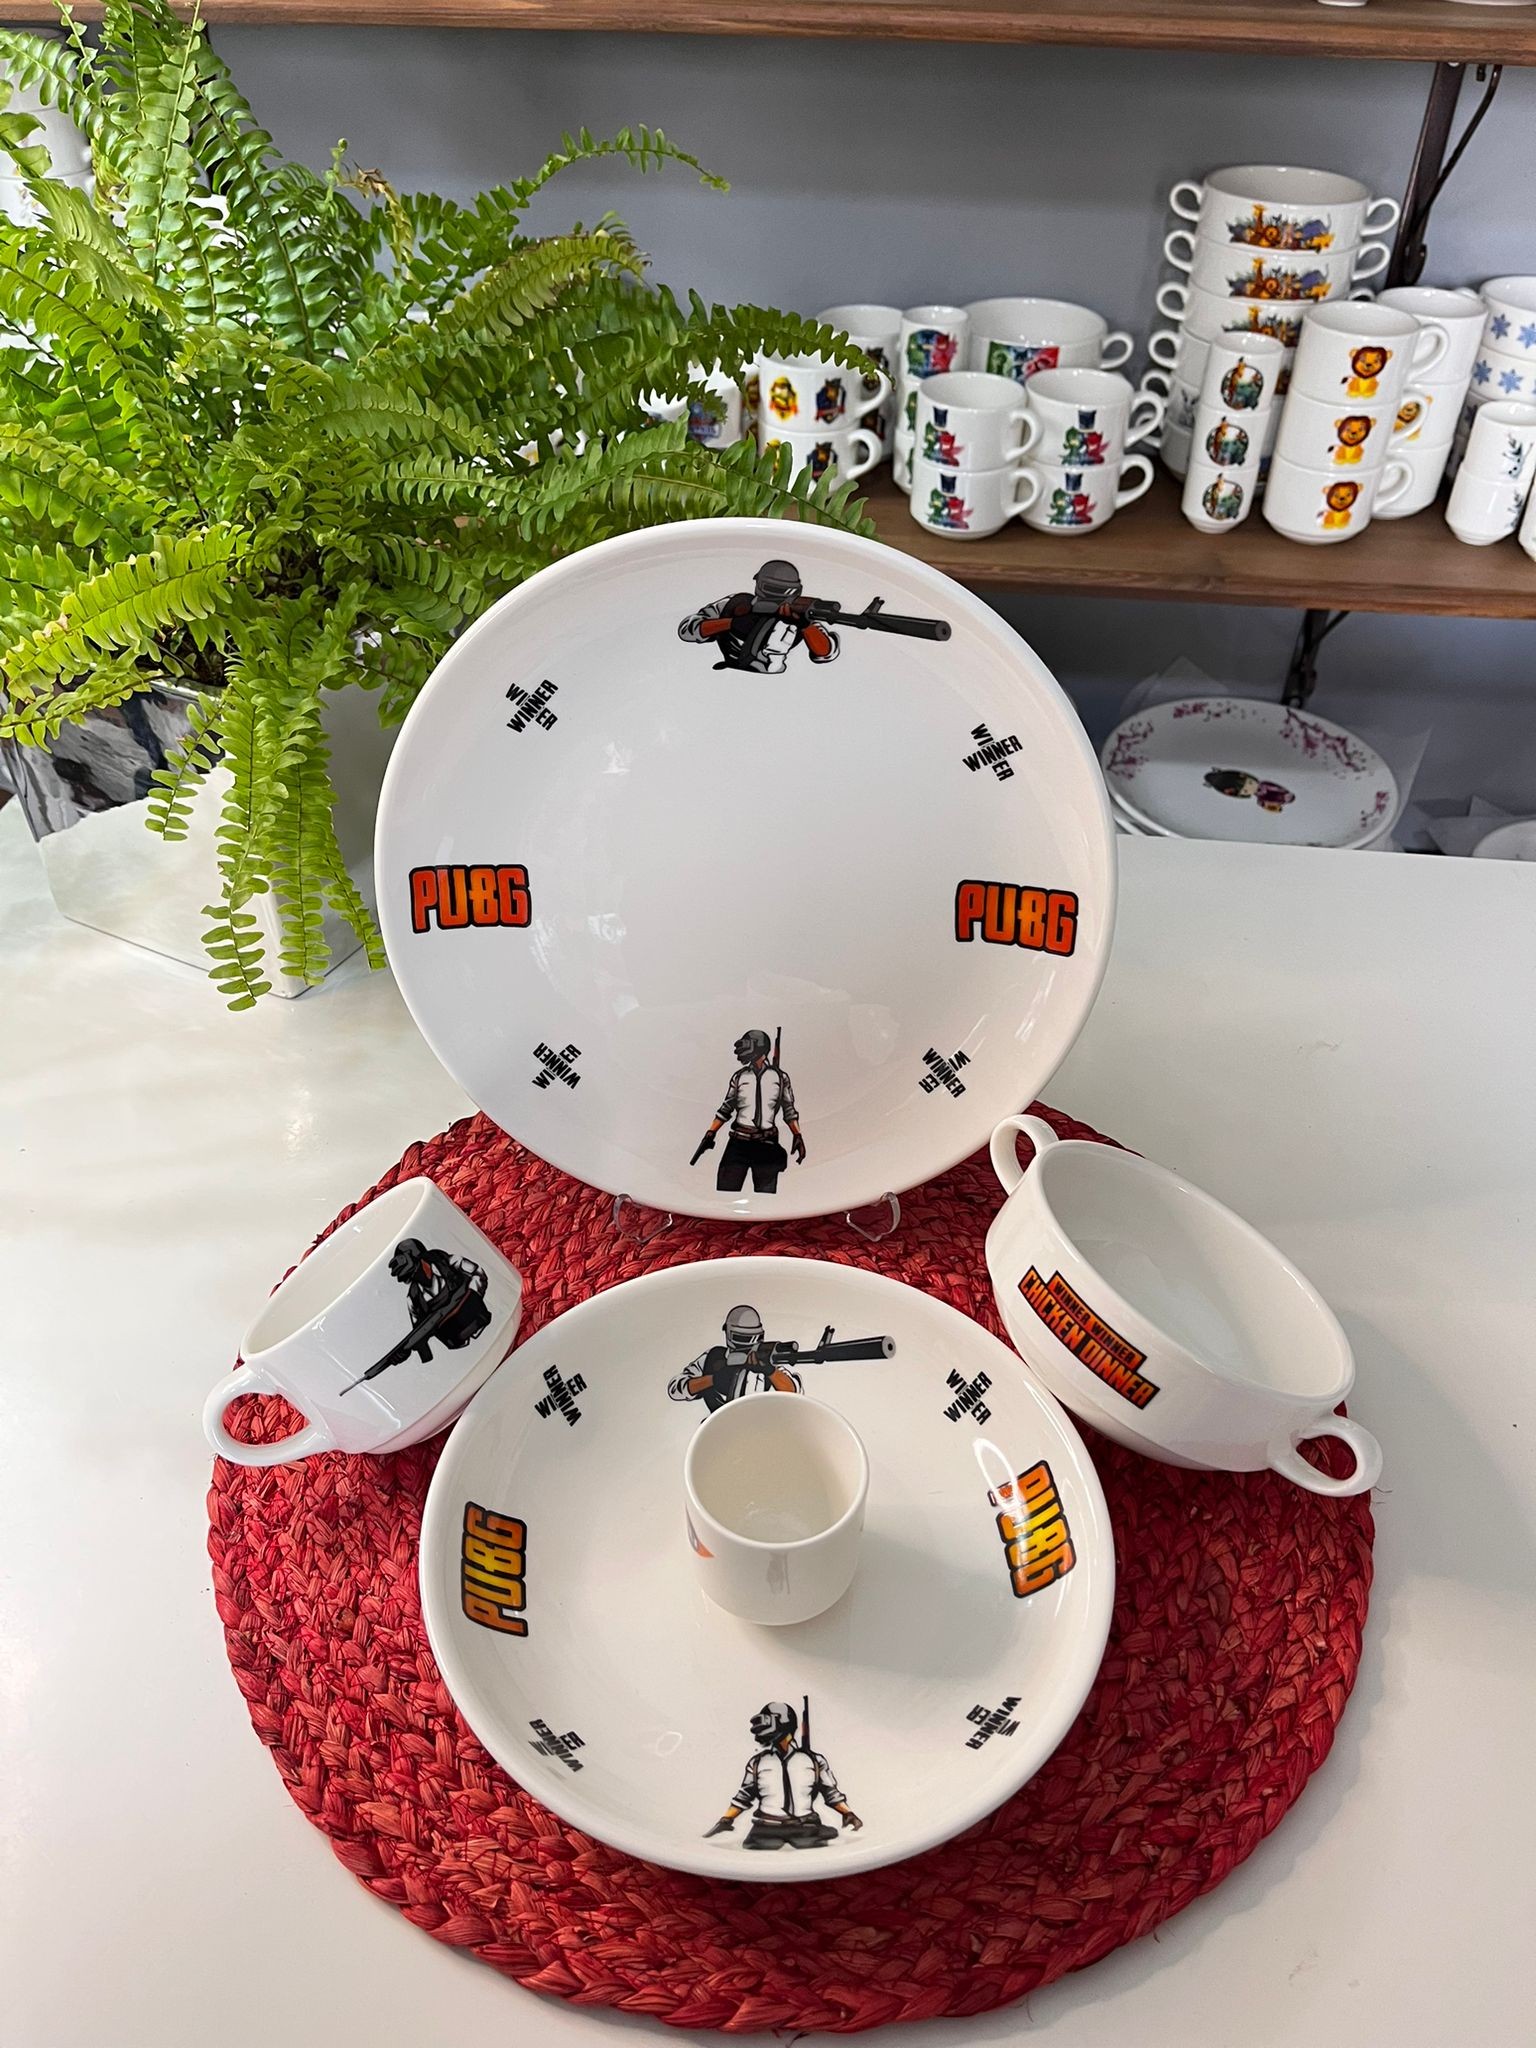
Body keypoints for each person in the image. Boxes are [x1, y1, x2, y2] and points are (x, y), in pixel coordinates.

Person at [704, 1702, 861, 1851]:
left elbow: (831, 1793)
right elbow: (743, 1797)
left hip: (805, 1827)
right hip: (765, 1828)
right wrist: (726, 1819)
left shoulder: (814, 1761)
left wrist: (848, 1813)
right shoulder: (757, 1762)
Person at [677, 558, 841, 675]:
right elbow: (687, 630)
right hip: (727, 677)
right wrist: (731, 623)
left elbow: (826, 652)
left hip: (775, 687)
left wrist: (805, 626)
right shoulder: (737, 603)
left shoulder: (798, 615)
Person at [693, 1028, 805, 1195]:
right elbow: (726, 1109)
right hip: (738, 1143)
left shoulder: (781, 1078)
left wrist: (797, 1135)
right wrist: (711, 1132)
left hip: (767, 1144)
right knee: (725, 1190)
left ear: (760, 1048)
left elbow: (789, 1110)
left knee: (766, 1195)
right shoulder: (739, 1077)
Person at [668, 1305, 802, 1411]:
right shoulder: (714, 1356)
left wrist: (770, 1371)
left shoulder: (765, 1361)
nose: (750, 1344)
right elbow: (675, 1389)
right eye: (744, 1338)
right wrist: (713, 1379)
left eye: (755, 1338)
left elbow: (794, 1393)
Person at [387, 1238, 492, 1360]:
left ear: (423, 1259)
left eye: (416, 1269)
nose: (417, 1275)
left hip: (480, 1319)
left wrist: (472, 1296)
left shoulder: (447, 1262)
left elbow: (478, 1274)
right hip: (460, 1349)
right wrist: (405, 1352)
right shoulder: (413, 1299)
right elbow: (418, 1333)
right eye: (411, 1275)